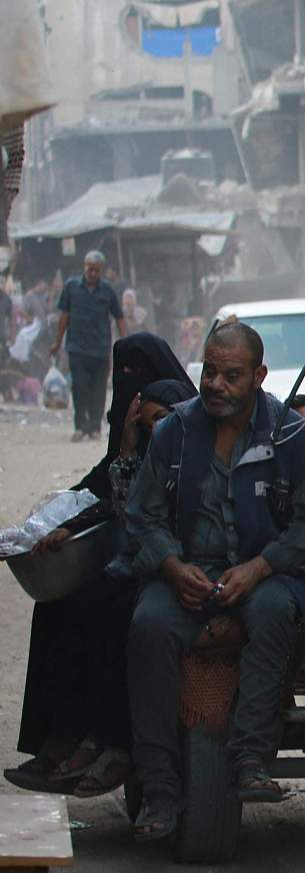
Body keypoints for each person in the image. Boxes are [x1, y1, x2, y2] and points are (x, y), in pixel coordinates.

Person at [124, 322, 305, 841]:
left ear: (258, 376)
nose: (215, 384)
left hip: (265, 575)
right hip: (186, 572)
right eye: (209, 371)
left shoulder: (293, 438)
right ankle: (161, 792)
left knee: (273, 612)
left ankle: (250, 760)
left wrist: (260, 568)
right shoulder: (174, 431)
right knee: (148, 626)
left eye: (231, 375)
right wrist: (172, 566)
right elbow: (142, 514)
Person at [5, 336, 196, 797]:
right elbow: (102, 488)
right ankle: (57, 737)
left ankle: (110, 741)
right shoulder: (133, 425)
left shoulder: (180, 425)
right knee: (56, 606)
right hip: (129, 558)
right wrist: (60, 524)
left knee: (107, 612)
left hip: (173, 563)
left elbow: (141, 507)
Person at [52, 250, 129, 442]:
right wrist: (57, 342)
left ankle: (94, 427)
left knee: (98, 390)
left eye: (96, 270)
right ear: (84, 266)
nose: (92, 272)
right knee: (79, 388)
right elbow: (64, 317)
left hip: (101, 349)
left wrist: (126, 344)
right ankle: (80, 427)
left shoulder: (107, 290)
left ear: (101, 270)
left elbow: (119, 317)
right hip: (77, 348)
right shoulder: (71, 287)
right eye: (89, 268)